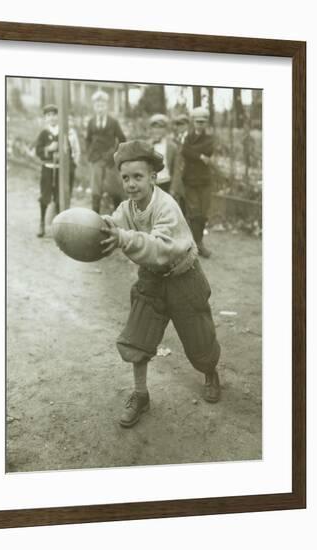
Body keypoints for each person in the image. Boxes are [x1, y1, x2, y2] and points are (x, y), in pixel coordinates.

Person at [100, 140, 221, 428]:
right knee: (137, 336)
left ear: (153, 178)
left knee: (199, 339)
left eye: (138, 177)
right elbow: (113, 223)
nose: (131, 184)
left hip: (183, 276)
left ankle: (210, 372)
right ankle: (141, 395)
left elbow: (160, 248)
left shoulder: (167, 206)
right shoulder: (127, 207)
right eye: (126, 177)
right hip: (152, 279)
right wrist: (96, 226)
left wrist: (123, 238)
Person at [85, 90, 126, 213]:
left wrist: (114, 153)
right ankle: (94, 218)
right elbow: (87, 139)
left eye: (102, 105)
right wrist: (89, 153)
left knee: (114, 189)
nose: (100, 108)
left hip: (110, 161)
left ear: (106, 106)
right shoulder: (91, 122)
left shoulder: (113, 122)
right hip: (96, 159)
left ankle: (118, 218)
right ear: (94, 107)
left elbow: (122, 139)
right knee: (96, 191)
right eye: (98, 106)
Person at [182, 107, 215, 258]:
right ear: (193, 122)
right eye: (197, 121)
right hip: (190, 180)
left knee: (203, 213)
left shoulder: (209, 138)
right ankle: (197, 245)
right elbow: (184, 151)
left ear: (206, 122)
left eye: (203, 121)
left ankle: (198, 242)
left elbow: (208, 149)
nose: (200, 124)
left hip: (204, 180)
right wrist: (200, 156)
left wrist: (193, 152)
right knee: (194, 213)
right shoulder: (187, 138)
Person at [35, 104, 60, 237]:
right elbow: (38, 151)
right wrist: (49, 149)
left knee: (59, 197)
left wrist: (62, 153)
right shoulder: (44, 134)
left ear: (58, 116)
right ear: (45, 118)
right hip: (47, 169)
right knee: (45, 196)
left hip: (60, 170)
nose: (52, 118)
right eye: (48, 115)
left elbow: (70, 150)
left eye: (54, 115)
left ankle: (60, 227)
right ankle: (42, 223)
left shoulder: (63, 132)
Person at [148, 113, 179, 195]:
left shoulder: (172, 146)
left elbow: (176, 169)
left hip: (166, 182)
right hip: (151, 184)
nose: (157, 130)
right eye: (155, 127)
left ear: (165, 129)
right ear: (151, 129)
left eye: (161, 127)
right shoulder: (147, 145)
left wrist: (173, 188)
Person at [170, 113, 190, 214]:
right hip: (179, 175)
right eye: (177, 125)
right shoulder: (176, 139)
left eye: (182, 124)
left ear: (187, 125)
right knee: (180, 204)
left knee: (189, 204)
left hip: (189, 175)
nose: (179, 127)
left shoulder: (190, 139)